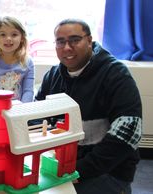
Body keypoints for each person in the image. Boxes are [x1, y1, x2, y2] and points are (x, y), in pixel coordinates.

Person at [35, 18, 142, 194]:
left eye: (75, 40)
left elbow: (128, 135)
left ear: (89, 41)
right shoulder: (53, 75)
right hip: (60, 167)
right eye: (60, 42)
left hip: (106, 172)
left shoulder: (115, 74)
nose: (67, 48)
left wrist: (79, 170)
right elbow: (36, 120)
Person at [0, 16, 34, 102]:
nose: (8, 39)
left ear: (22, 38)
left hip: (18, 111)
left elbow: (28, 92)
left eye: (14, 35)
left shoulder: (28, 62)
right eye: (3, 35)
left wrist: (23, 110)